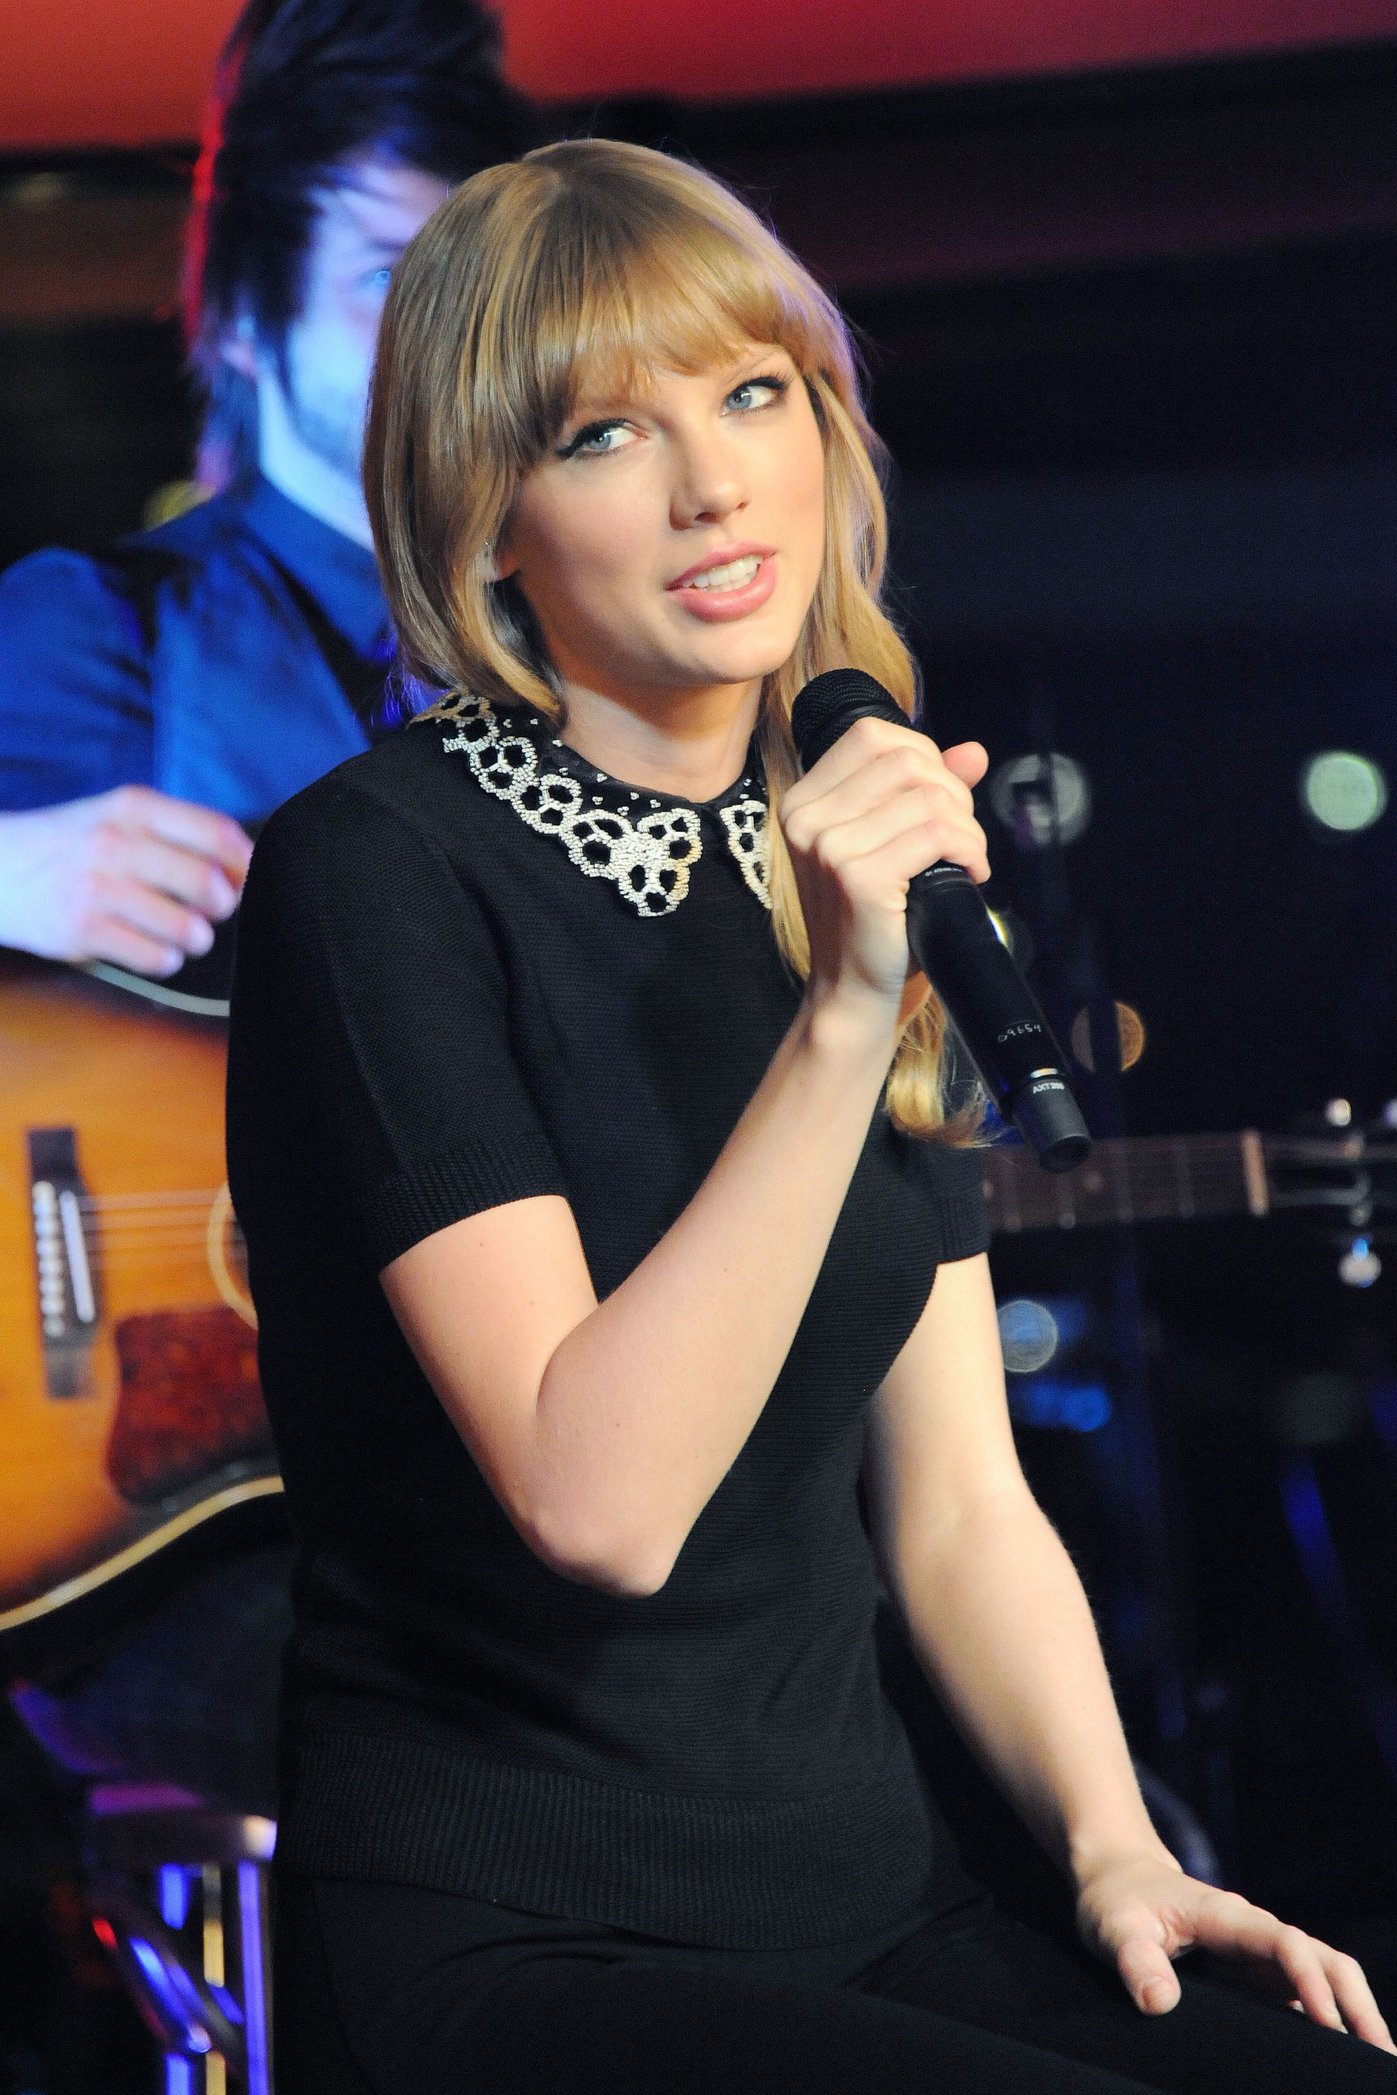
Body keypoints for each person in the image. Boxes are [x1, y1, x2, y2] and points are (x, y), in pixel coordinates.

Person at [226, 139, 1397, 2092]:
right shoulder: (377, 876)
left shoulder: (842, 845)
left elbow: (957, 1503)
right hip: (528, 1936)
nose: (711, 483)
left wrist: (1118, 1849)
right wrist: (847, 1009)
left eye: (750, 392)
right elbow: (596, 1505)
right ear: (486, 521)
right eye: (606, 432)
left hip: (878, 1898)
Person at [3, 0, 532, 1816]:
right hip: (164, 1542)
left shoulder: (574, 681)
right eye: (390, 272)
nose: (441, 328)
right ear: (241, 318)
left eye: (471, 277)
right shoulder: (105, 632)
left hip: (486, 1483)